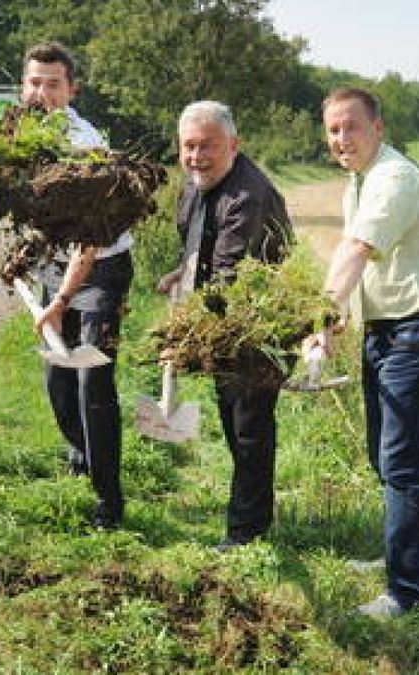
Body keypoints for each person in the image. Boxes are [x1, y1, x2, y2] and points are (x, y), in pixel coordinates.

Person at [303, 88, 419, 617]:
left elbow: (356, 249)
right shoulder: (360, 182)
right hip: (389, 333)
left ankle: (406, 593)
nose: (342, 139)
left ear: (379, 128)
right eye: (333, 130)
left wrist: (321, 314)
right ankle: (398, 554)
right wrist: (339, 317)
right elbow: (361, 264)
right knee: (384, 454)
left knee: (404, 464)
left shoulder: (394, 178)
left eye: (352, 127)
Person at [156, 100, 293, 552]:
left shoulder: (246, 195)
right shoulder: (198, 185)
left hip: (258, 328)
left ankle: (246, 533)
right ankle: (255, 516)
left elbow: (229, 275)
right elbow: (201, 246)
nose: (196, 156)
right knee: (236, 421)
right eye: (189, 146)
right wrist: (183, 271)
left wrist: (183, 337)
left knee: (250, 426)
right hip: (225, 323)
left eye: (208, 146)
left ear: (233, 145)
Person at [23, 42, 132, 530]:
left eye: (52, 84)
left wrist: (61, 301)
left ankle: (109, 501)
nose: (41, 93)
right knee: (58, 383)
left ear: (72, 89)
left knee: (92, 383)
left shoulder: (82, 145)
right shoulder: (23, 136)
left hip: (100, 270)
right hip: (57, 265)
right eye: (34, 82)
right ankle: (82, 455)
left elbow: (89, 242)